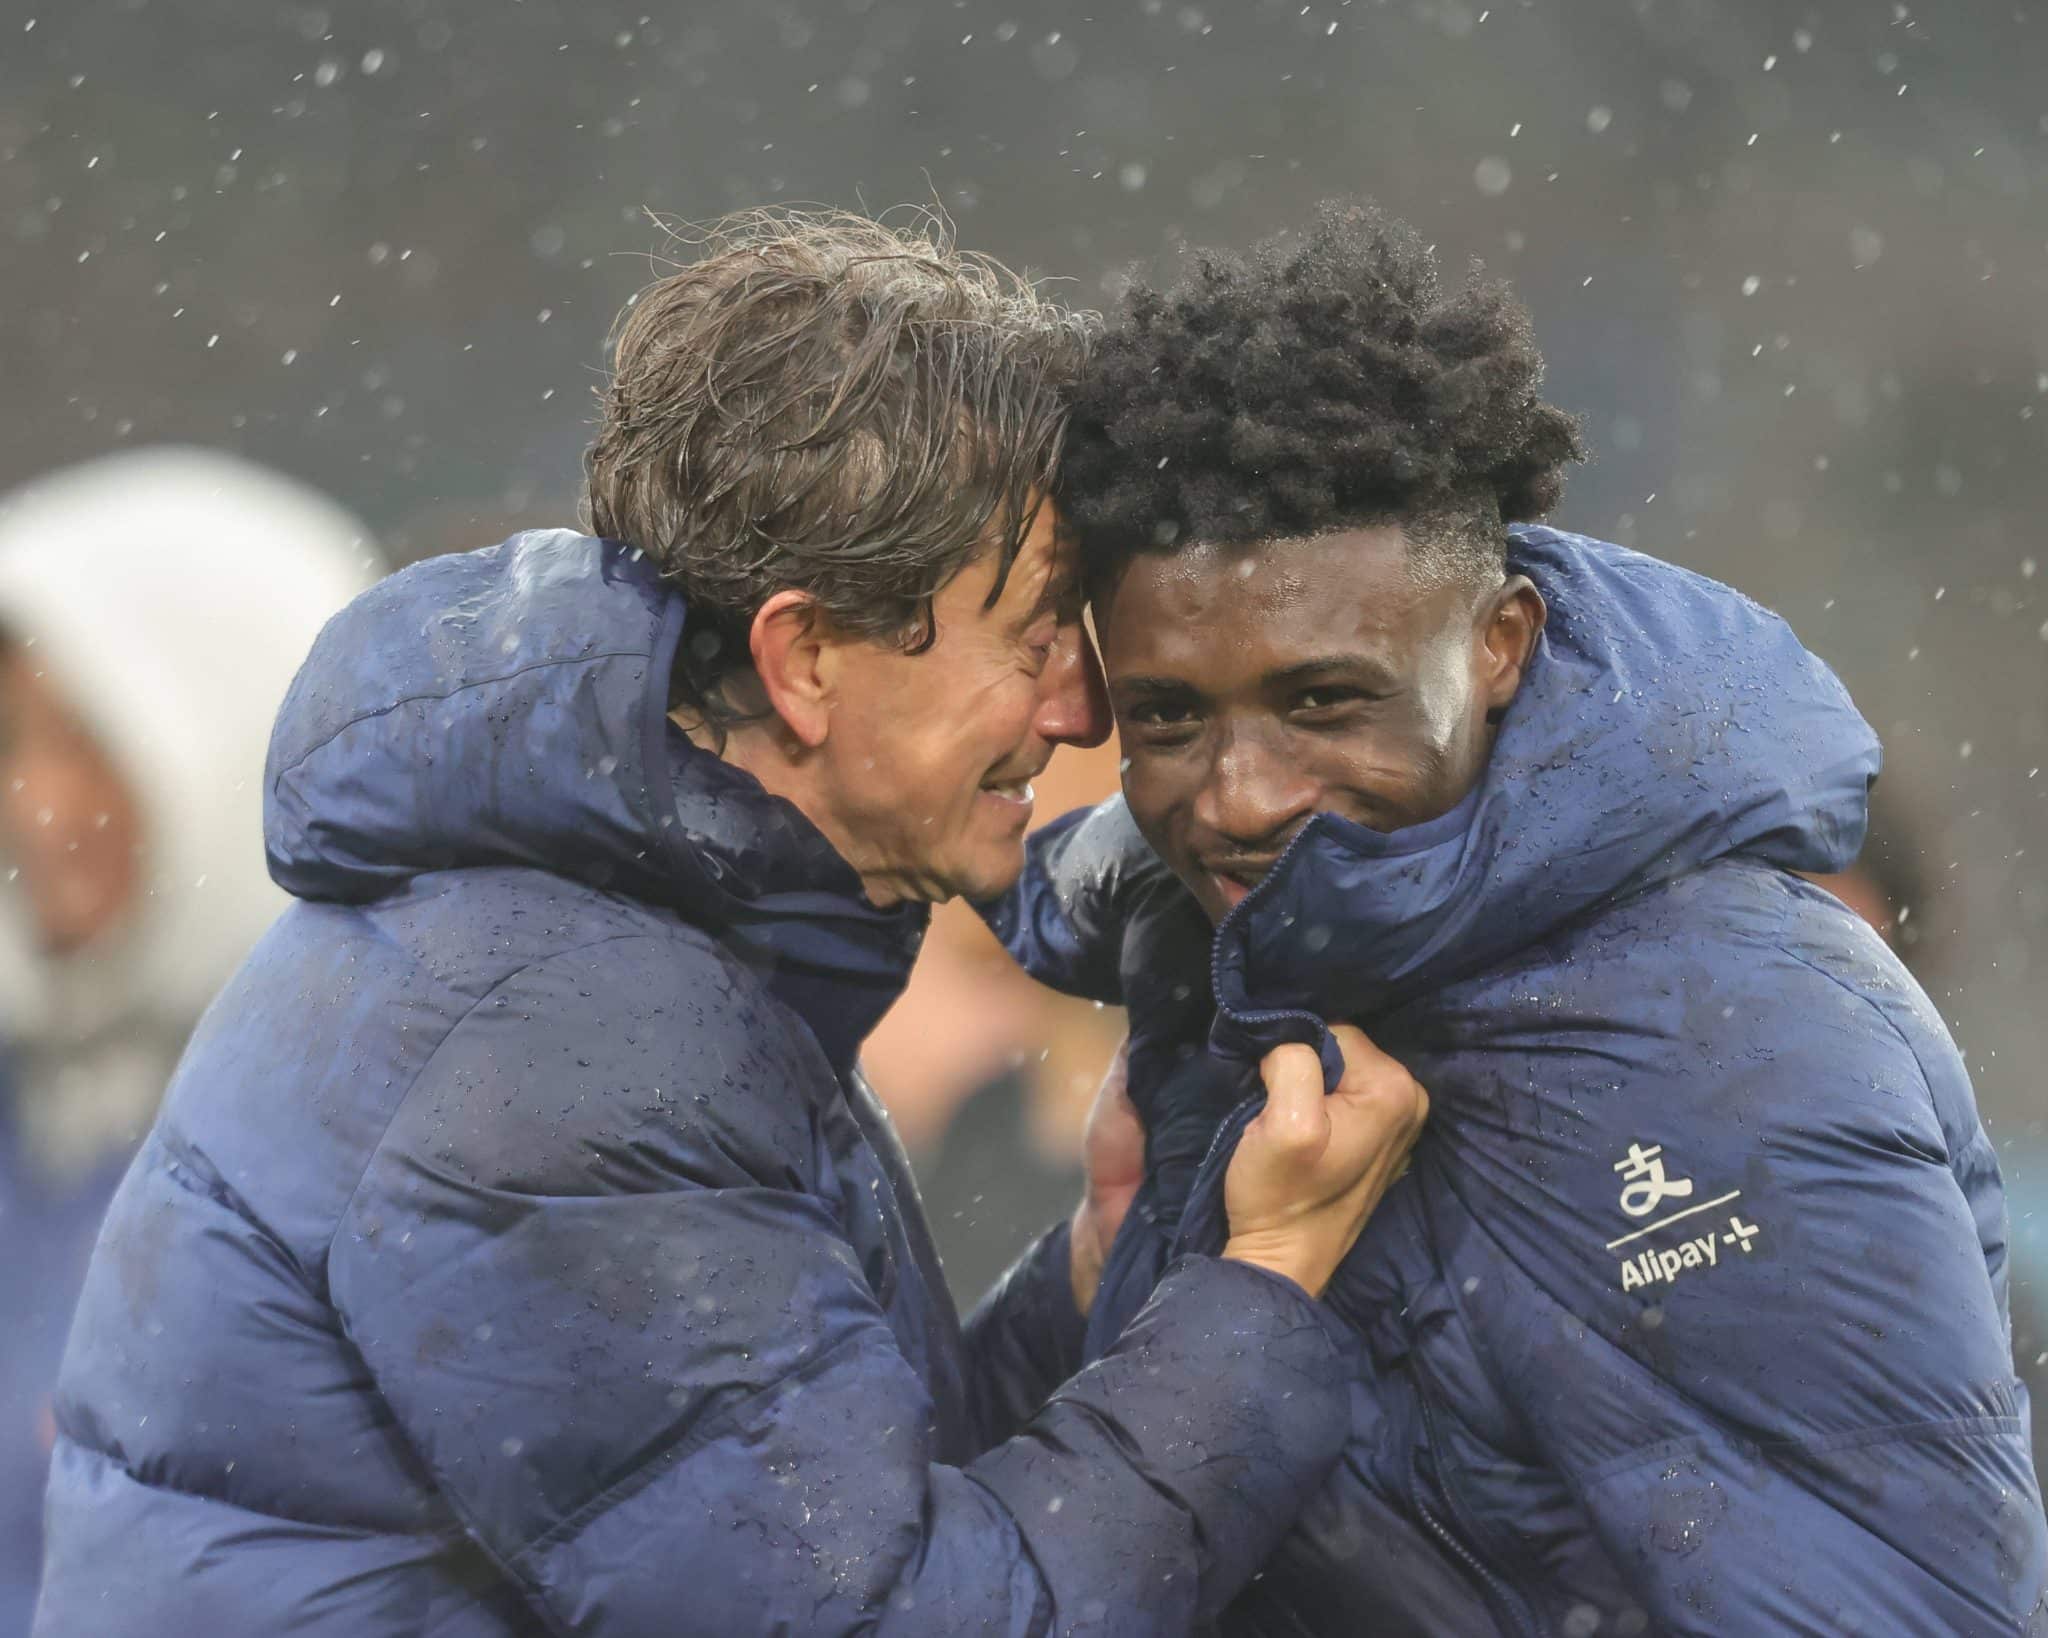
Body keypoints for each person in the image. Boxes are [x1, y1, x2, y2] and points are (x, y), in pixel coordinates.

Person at [33, 210, 1428, 1637]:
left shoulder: (604, 947)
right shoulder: (569, 1049)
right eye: (1030, 637)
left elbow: (804, 1504)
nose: (1079, 710)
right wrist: (1261, 1294)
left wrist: (1089, 1279)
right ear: (804, 656)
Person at [990, 202, 2048, 1634]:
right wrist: (1100, 1269)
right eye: (1168, 717)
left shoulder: (1742, 1044)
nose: (1236, 797)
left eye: (1323, 701)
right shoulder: (1220, 964)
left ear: (1501, 643)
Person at [0, 447, 376, 1634]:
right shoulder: (38, 1099)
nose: (38, 807)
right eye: (11, 741)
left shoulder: (384, 1132)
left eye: (88, 740)